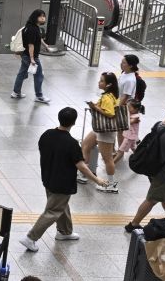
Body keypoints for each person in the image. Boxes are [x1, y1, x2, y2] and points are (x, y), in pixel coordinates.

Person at [18, 108, 107, 252]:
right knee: (53, 210)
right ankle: (30, 238)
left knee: (61, 205)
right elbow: (81, 167)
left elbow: (43, 152)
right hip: (62, 182)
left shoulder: (46, 135)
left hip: (48, 177)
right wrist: (97, 180)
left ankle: (64, 232)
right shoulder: (71, 144)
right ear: (74, 122)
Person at [80, 72, 121, 193]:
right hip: (100, 129)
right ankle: (83, 173)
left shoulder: (108, 98)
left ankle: (111, 184)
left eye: (102, 81)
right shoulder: (110, 96)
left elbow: (110, 113)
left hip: (105, 131)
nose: (99, 82)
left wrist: (96, 107)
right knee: (86, 145)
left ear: (109, 84)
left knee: (107, 159)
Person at [11, 9, 51, 103]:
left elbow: (39, 39)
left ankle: (16, 92)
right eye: (40, 16)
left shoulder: (30, 27)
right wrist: (32, 58)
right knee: (39, 75)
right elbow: (30, 44)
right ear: (35, 17)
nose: (43, 18)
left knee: (22, 73)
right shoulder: (32, 29)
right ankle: (39, 96)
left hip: (25, 55)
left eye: (44, 16)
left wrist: (46, 46)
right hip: (31, 56)